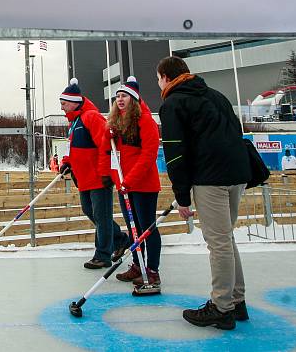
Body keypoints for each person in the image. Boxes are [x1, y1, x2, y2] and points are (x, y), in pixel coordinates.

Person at [157, 56, 251, 330]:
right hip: (236, 173)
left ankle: (222, 307)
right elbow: (235, 131)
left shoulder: (173, 103)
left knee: (218, 243)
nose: (159, 83)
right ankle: (237, 300)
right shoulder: (216, 95)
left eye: (158, 78)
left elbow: (175, 153)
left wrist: (182, 196)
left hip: (211, 178)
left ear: (165, 77)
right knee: (226, 239)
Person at [59, 78, 130, 269]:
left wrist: (106, 172)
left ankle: (102, 255)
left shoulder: (92, 117)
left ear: (74, 102)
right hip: (83, 179)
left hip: (98, 177)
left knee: (101, 215)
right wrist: (66, 163)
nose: (62, 108)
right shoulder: (74, 123)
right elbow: (71, 148)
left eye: (64, 104)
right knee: (90, 212)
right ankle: (120, 238)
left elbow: (105, 145)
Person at [103, 76, 162, 290]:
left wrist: (130, 180)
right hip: (125, 185)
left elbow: (148, 155)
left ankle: (152, 271)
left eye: (124, 96)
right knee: (133, 229)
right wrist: (107, 134)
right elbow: (112, 154)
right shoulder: (118, 123)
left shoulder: (145, 121)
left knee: (147, 229)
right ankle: (138, 264)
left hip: (143, 185)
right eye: (117, 96)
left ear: (133, 100)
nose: (120, 99)